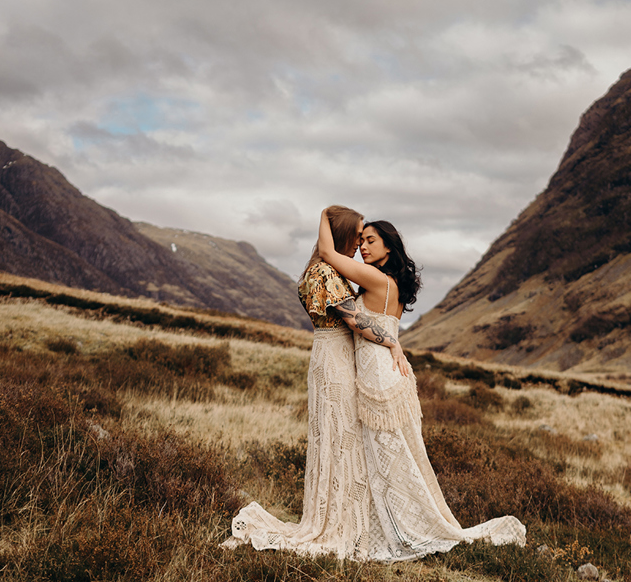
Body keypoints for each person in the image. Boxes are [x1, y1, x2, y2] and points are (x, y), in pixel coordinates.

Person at [317, 210, 527, 561]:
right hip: (389, 372)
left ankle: (407, 527)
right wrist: (394, 343)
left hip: (380, 378)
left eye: (370, 241)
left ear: (389, 247)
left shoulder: (375, 279)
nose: (363, 247)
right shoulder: (389, 282)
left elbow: (327, 253)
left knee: (392, 457)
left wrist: (325, 215)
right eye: (361, 240)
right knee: (398, 456)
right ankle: (396, 522)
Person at [221, 205, 407, 560]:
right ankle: (337, 518)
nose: (357, 246)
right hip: (335, 357)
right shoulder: (326, 272)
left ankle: (341, 509)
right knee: (341, 436)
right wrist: (391, 341)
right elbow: (356, 321)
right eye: (354, 238)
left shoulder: (319, 270)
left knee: (337, 436)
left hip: (327, 353)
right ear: (340, 237)